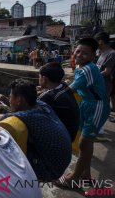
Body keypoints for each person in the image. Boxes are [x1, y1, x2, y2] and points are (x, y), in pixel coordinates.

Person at [54, 37, 110, 188]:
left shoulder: (87, 69)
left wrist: (48, 93)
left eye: (84, 53)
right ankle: (86, 176)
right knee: (87, 143)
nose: (79, 54)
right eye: (77, 51)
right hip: (86, 104)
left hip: (96, 106)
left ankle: (74, 179)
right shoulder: (81, 67)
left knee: (84, 143)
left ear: (93, 56)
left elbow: (69, 91)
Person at [0, 79, 72, 182]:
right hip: (63, 160)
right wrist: (6, 100)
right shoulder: (41, 105)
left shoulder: (27, 116)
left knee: (6, 154)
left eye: (10, 96)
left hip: (51, 171)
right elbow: (18, 108)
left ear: (19, 100)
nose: (9, 99)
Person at [37, 62, 79, 141]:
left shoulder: (47, 97)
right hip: (71, 132)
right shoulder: (64, 86)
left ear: (44, 79)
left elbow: (27, 109)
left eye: (39, 77)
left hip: (60, 138)